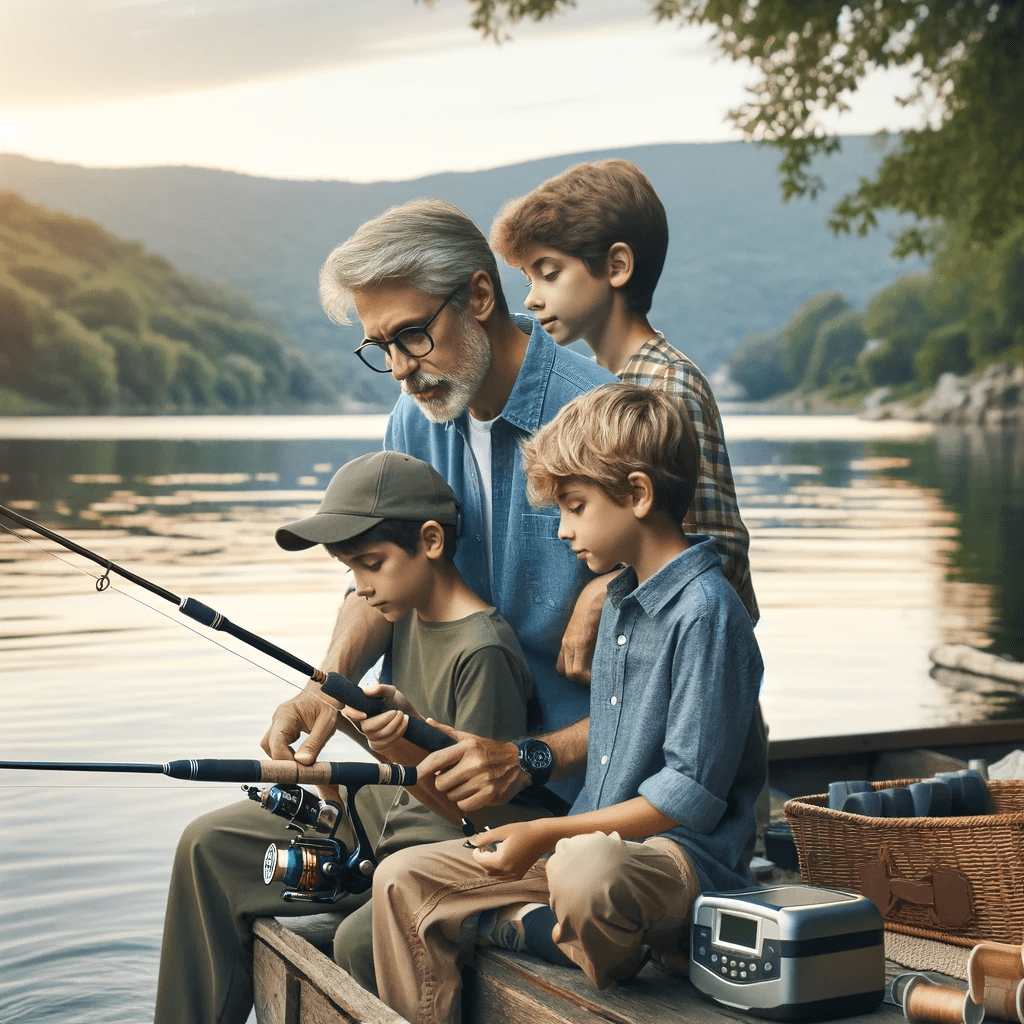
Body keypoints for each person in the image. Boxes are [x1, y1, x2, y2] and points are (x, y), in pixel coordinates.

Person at [154, 198, 614, 1024]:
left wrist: (531, 757)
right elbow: (383, 575)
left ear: (479, 297)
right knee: (209, 849)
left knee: (364, 933)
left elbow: (677, 664)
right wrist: (327, 689)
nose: (400, 367)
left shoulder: (599, 418)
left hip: (549, 799)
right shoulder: (418, 412)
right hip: (411, 782)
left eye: (411, 336)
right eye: (380, 347)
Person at [367, 384, 768, 1024]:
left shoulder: (707, 614)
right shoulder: (621, 606)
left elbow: (687, 799)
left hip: (677, 861)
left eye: (575, 507)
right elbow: (610, 736)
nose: (563, 530)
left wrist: (543, 834)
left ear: (637, 494)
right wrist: (437, 738)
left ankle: (540, 928)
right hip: (588, 839)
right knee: (402, 877)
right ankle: (539, 926)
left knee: (585, 869)